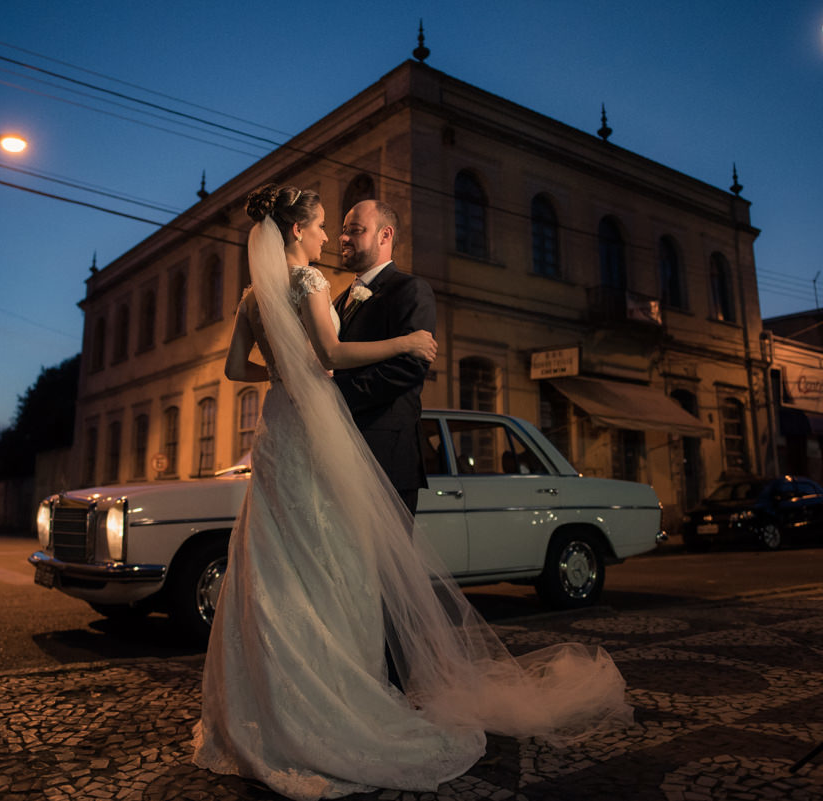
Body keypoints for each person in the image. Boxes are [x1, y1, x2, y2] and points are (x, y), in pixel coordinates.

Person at [191, 183, 632, 801]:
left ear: (386, 234)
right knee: (328, 567)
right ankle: (350, 699)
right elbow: (335, 352)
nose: (336, 238)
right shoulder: (318, 287)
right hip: (314, 435)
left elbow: (241, 370)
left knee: (289, 566)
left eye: (351, 229)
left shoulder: (348, 291)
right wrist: (362, 357)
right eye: (328, 228)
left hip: (317, 439)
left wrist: (295, 373)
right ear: (298, 232)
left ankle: (316, 695)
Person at [332, 199, 435, 514]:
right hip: (339, 455)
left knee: (386, 563)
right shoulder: (337, 300)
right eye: (343, 231)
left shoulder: (410, 290)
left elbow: (408, 367)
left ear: (384, 235)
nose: (343, 238)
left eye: (356, 230)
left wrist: (334, 396)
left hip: (386, 455)